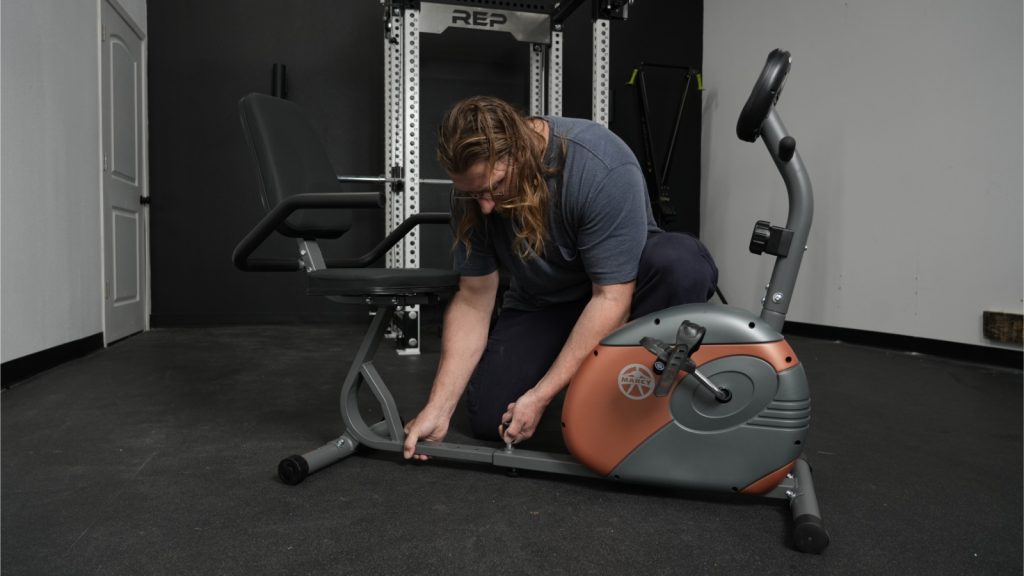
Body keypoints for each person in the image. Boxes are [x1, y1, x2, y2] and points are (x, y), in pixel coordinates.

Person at [402, 96, 718, 460]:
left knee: (681, 262)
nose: (485, 205)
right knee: (493, 421)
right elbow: (474, 300)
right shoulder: (473, 194)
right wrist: (439, 407)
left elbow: (611, 298)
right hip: (545, 303)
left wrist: (541, 395)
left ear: (522, 152)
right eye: (473, 193)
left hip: (624, 294)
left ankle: (647, 398)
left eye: (494, 187)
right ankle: (586, 385)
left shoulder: (600, 163)